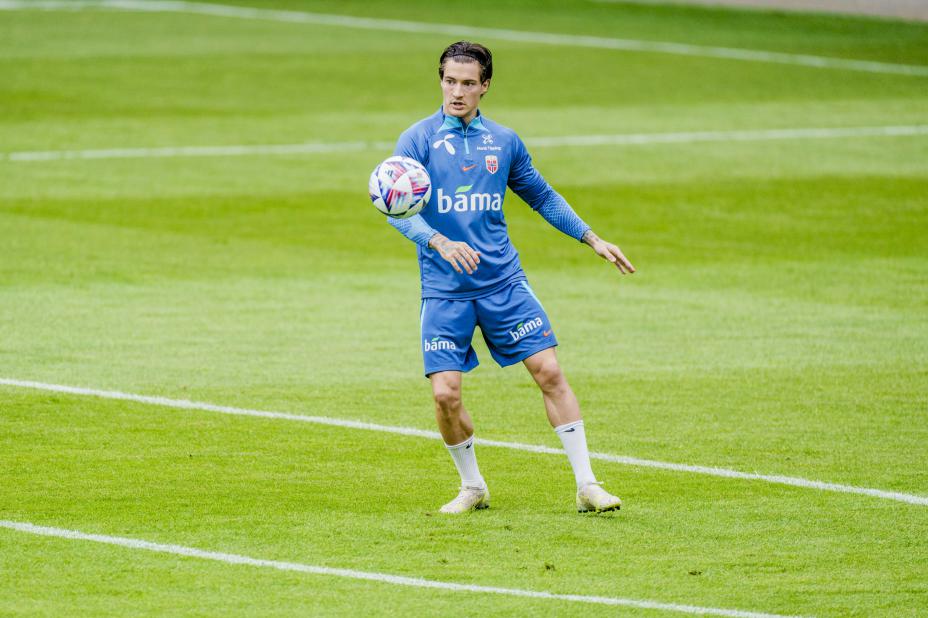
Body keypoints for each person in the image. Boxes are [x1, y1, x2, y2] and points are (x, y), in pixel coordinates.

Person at [387, 41, 635, 514]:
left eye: (467, 83)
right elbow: (396, 210)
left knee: (550, 372)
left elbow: (542, 196)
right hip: (445, 291)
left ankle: (587, 485)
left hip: (503, 283)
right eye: (449, 81)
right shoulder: (417, 141)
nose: (456, 92)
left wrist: (591, 237)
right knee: (445, 395)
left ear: (485, 86)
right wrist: (438, 241)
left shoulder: (503, 142)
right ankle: (472, 486)